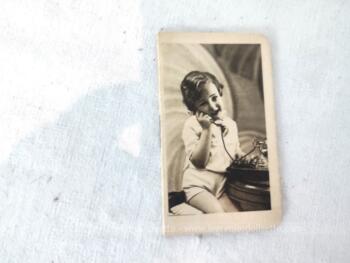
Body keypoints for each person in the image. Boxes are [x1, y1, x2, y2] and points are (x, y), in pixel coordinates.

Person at [180, 71, 243, 213]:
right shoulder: (192, 125)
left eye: (214, 98)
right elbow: (199, 162)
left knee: (236, 215)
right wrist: (206, 130)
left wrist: (246, 157)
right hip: (198, 187)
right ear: (195, 110)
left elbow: (235, 153)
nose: (213, 106)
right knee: (218, 215)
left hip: (220, 188)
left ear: (220, 93)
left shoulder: (231, 125)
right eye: (203, 103)